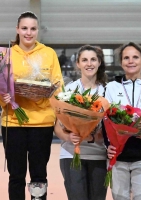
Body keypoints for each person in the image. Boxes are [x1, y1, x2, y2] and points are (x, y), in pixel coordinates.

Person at [0, 11, 63, 200]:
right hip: (13, 123)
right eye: (24, 28)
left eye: (33, 29)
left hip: (42, 124)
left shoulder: (48, 54)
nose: (28, 33)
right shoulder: (5, 54)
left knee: (39, 175)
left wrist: (43, 93)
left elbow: (58, 86)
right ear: (17, 29)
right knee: (16, 175)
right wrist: (3, 98)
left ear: (38, 31)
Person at [104, 42, 141, 200]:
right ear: (121, 62)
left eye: (135, 57)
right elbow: (105, 120)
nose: (130, 61)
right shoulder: (111, 87)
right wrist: (107, 145)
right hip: (118, 155)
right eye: (126, 58)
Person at [54, 45, 108, 200]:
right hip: (72, 154)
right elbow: (57, 126)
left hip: (99, 155)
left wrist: (97, 135)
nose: (89, 64)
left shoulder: (107, 91)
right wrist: (68, 138)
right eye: (84, 60)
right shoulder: (69, 90)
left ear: (99, 63)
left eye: (93, 60)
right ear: (78, 64)